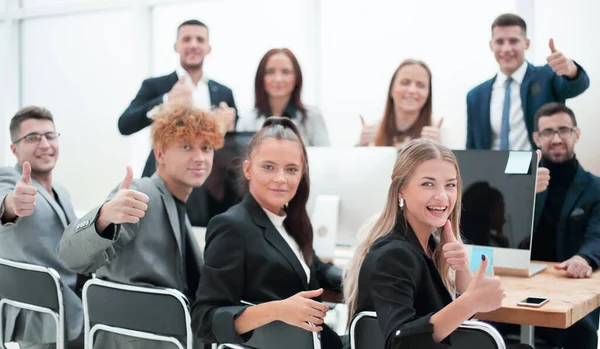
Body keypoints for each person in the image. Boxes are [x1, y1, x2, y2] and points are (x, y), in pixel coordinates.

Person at [57, 105, 225, 348]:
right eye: (186, 146)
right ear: (160, 155)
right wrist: (103, 217)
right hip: (138, 340)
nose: (199, 157)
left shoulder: (177, 203)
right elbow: (69, 256)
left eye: (206, 148)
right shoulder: (141, 193)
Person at [344, 139, 531, 349]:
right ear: (400, 190)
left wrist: (461, 271)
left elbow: (455, 317)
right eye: (427, 184)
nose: (442, 196)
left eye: (450, 185)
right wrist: (470, 301)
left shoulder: (430, 245)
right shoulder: (393, 256)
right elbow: (401, 342)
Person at [192, 117, 343, 348]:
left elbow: (314, 268)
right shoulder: (231, 227)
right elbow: (205, 320)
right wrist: (278, 310)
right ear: (248, 169)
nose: (281, 178)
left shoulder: (291, 221)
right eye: (269, 167)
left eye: (291, 169)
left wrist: (352, 277)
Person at [0, 106, 84, 349]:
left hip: (76, 306)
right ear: (14, 149)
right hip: (40, 315)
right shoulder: (9, 178)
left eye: (50, 136)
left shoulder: (62, 191)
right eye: (33, 138)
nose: (45, 144)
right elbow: (5, 201)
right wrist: (12, 203)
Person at [117, 19, 237, 177]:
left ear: (208, 48)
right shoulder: (155, 85)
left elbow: (232, 143)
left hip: (211, 180)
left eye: (200, 40)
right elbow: (125, 125)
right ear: (176, 46)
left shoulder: (223, 92)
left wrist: (230, 127)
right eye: (186, 39)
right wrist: (166, 101)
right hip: (165, 176)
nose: (193, 45)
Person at [529, 102, 599, 348]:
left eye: (563, 130)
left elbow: (597, 235)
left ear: (576, 134)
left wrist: (584, 257)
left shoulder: (595, 187)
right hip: (524, 283)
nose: (556, 138)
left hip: (572, 284)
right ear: (537, 138)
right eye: (548, 132)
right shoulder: (523, 184)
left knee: (584, 334)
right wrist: (524, 191)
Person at [466, 13, 589, 151]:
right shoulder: (475, 96)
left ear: (526, 43)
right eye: (500, 42)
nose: (506, 49)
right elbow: (471, 147)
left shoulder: (547, 77)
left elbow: (577, 85)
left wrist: (571, 70)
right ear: (491, 45)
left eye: (513, 41)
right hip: (491, 170)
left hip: (538, 169)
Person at [236, 48, 330, 146]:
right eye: (270, 72)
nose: (278, 79)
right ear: (261, 78)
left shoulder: (312, 117)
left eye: (285, 72)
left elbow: (324, 157)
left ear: (297, 77)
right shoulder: (247, 120)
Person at [357, 59, 443, 149]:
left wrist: (439, 150)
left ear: (428, 93)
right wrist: (362, 147)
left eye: (421, 85)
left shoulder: (439, 134)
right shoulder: (372, 132)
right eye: (405, 83)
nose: (412, 90)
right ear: (392, 89)